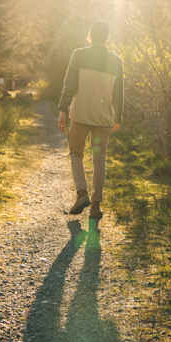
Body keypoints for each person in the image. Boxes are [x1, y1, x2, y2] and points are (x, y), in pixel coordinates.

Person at [57, 20, 123, 221]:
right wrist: (118, 117)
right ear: (107, 38)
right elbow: (119, 92)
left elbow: (69, 84)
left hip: (81, 115)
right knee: (99, 158)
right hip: (103, 117)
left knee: (76, 153)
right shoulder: (116, 61)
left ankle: (81, 193)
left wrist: (62, 110)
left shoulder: (79, 55)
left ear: (90, 36)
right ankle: (96, 205)